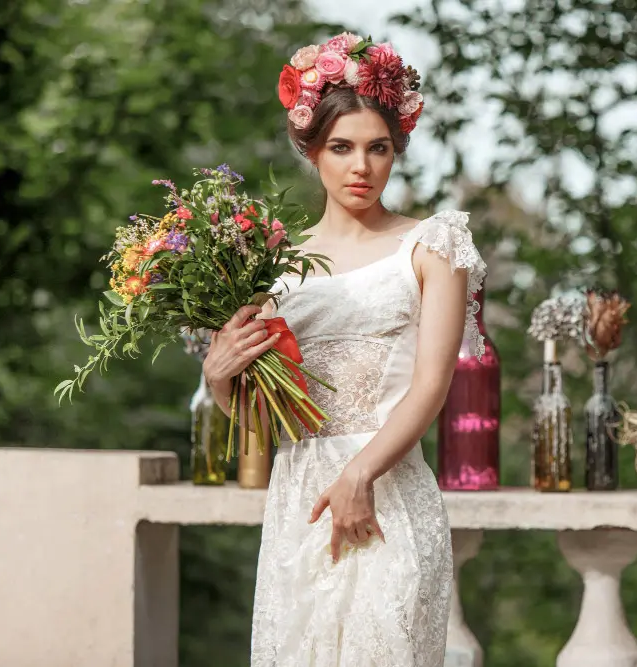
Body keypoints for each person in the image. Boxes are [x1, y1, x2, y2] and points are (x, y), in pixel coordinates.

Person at [201, 32, 487, 666]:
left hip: (386, 492)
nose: (361, 166)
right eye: (342, 148)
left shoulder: (433, 245)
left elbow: (432, 385)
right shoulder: (276, 271)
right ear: (311, 151)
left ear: (396, 152)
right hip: (298, 501)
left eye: (378, 148)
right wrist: (222, 382)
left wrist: (360, 473)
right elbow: (268, 421)